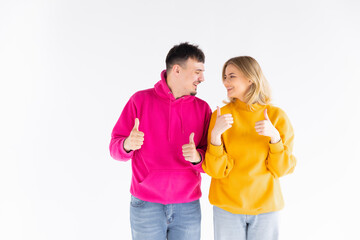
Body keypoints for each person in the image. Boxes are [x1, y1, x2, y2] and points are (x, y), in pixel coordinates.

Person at [109, 42, 212, 240]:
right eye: (198, 71)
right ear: (177, 70)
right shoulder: (139, 101)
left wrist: (197, 157)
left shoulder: (203, 109)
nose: (202, 78)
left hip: (187, 207)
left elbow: (213, 161)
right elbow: (114, 148)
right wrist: (127, 144)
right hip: (146, 205)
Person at [202, 56, 296, 240]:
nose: (225, 82)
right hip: (227, 208)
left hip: (266, 209)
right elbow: (215, 170)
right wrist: (215, 137)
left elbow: (281, 169)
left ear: (250, 78)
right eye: (225, 77)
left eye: (231, 76)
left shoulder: (276, 117)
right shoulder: (220, 116)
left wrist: (275, 137)